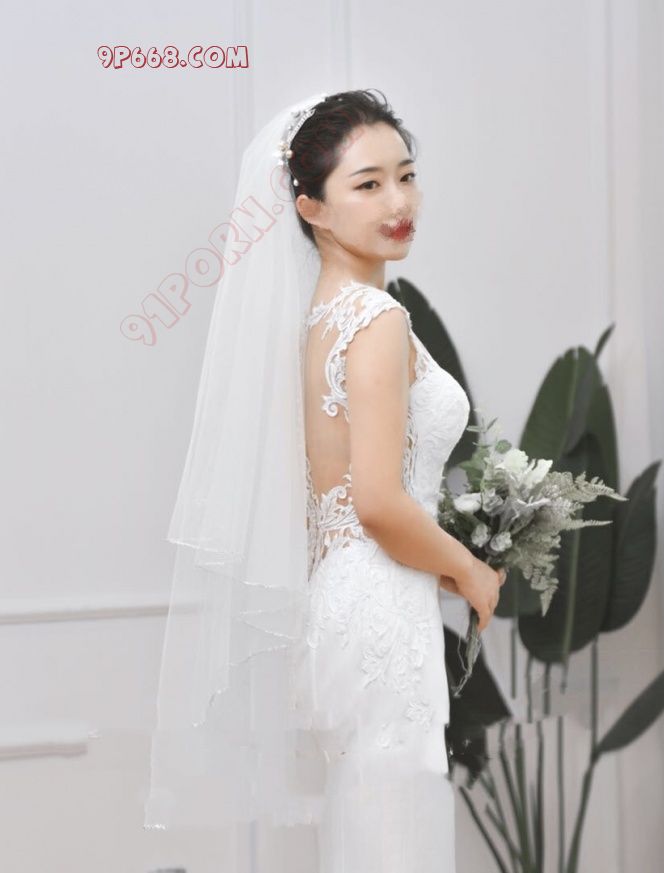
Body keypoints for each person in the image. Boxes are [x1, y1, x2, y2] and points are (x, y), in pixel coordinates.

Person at [144, 88, 504, 872]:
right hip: (380, 607)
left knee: (372, 826)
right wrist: (472, 569)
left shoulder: (319, 317)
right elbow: (377, 502)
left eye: (406, 176)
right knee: (394, 835)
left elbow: (344, 496)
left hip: (346, 598)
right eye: (367, 184)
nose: (398, 201)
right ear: (310, 207)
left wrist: (439, 565)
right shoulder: (377, 320)